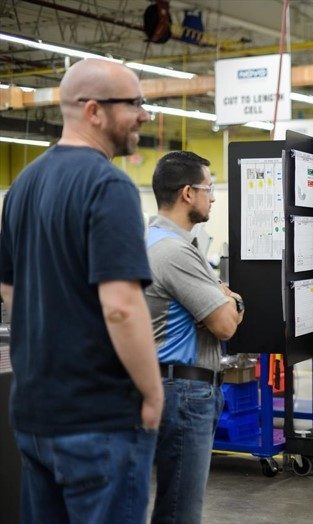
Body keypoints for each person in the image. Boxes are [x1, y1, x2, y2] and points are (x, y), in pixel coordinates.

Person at [0, 59, 162, 523]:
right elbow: (121, 308)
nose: (144, 115)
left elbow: (10, 288)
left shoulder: (24, 185)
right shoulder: (108, 185)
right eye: (133, 104)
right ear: (94, 111)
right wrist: (152, 394)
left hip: (35, 415)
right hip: (100, 420)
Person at [146, 151, 245, 523]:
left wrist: (225, 300)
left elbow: (221, 308)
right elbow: (225, 324)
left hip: (165, 384)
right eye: (209, 188)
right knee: (180, 510)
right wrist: (231, 299)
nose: (214, 197)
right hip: (185, 393)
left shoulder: (153, 239)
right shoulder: (175, 252)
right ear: (188, 193)